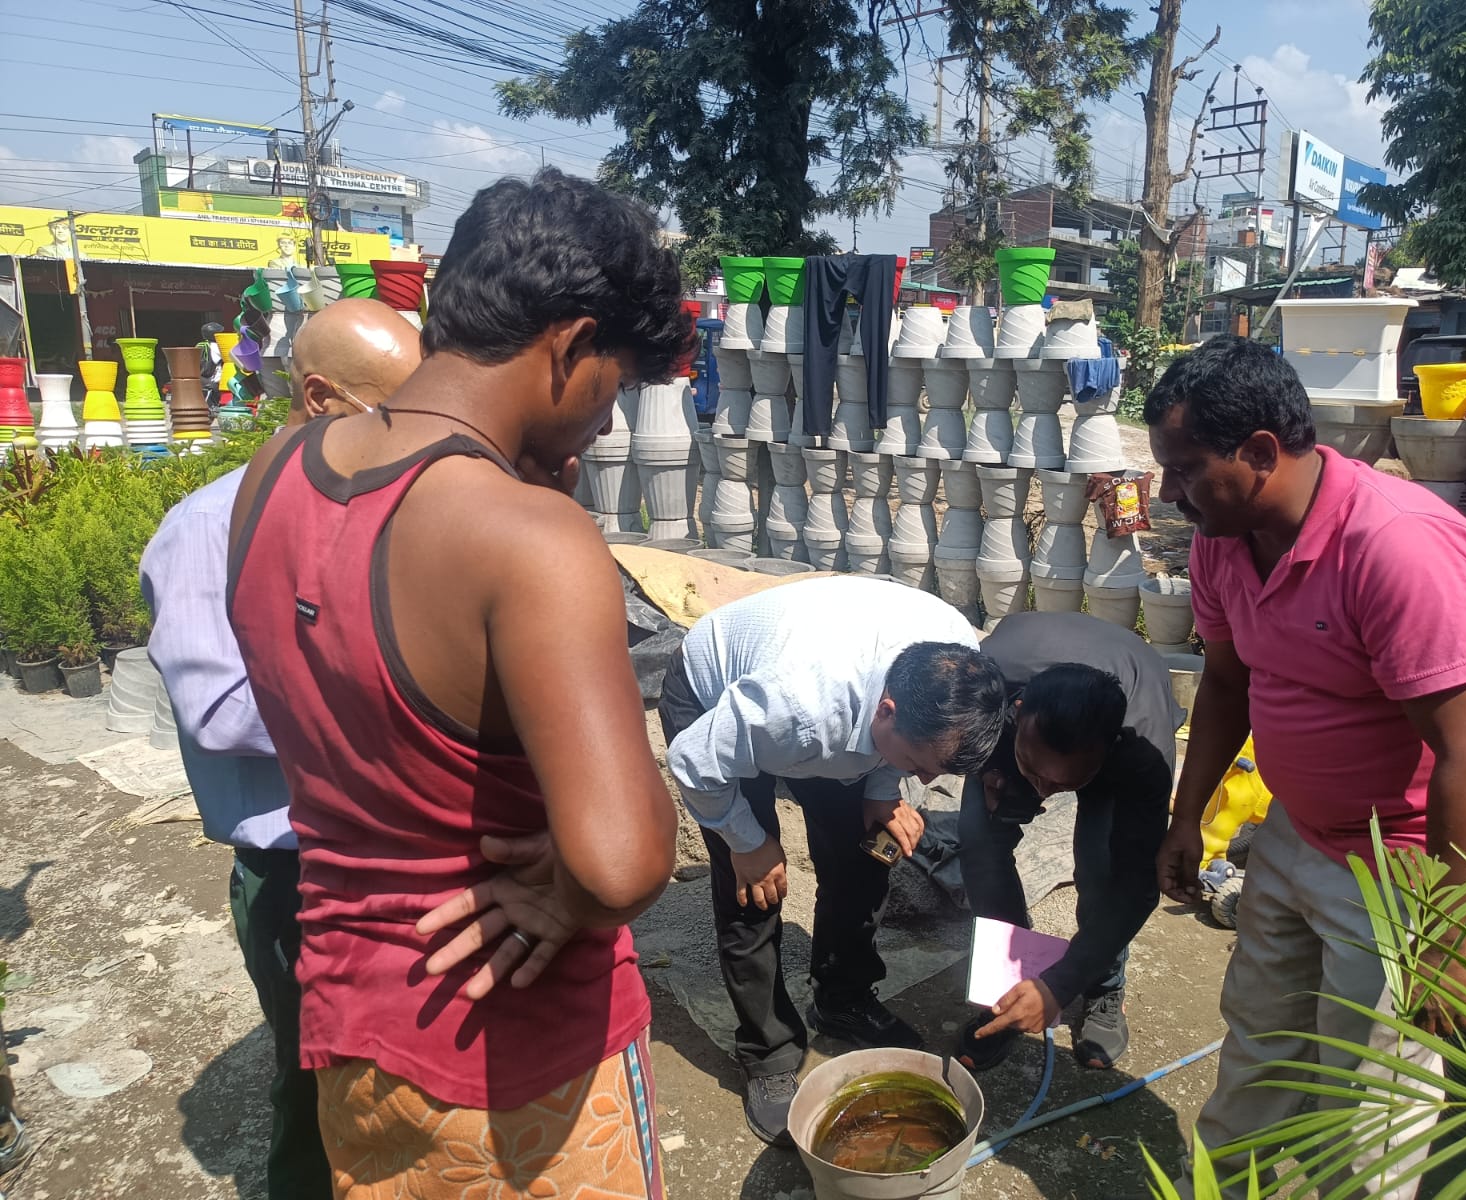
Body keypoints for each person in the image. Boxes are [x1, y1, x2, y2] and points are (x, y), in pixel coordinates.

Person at [226, 170, 688, 1198]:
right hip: (522, 1054)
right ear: (568, 347)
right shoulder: (527, 539)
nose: (608, 426)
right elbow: (623, 862)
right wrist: (572, 888)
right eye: (614, 386)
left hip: (352, 1023)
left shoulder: (274, 473)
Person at [1144, 336, 1466, 1200]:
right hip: (1300, 830)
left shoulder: (1396, 549)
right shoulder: (1223, 536)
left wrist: (1445, 943)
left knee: (1372, 1104)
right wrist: (1188, 816)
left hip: (1414, 861)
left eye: (1185, 469)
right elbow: (1227, 680)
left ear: (1260, 453)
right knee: (1257, 1048)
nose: (1170, 493)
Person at [141, 298, 422, 1200]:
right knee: (315, 1084)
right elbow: (220, 711)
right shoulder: (208, 528)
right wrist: (402, 707)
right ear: (319, 397)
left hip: (392, 850)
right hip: (296, 868)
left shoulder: (380, 508)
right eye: (393, 415)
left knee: (396, 1079)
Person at [658, 576, 1007, 1146]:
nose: (926, 783)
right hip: (714, 695)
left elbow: (906, 753)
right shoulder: (795, 708)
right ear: (887, 713)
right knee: (756, 889)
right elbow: (695, 762)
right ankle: (768, 1052)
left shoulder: (958, 666)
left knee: (866, 855)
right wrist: (746, 841)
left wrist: (884, 785)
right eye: (918, 765)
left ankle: (842, 998)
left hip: (844, 706)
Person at [955, 612, 1181, 1073]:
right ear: (1016, 718)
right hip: (1017, 694)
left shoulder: (1143, 753)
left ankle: (1104, 987)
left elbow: (1136, 887)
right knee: (980, 843)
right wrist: (993, 771)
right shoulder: (986, 690)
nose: (1042, 795)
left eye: (1061, 786)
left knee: (1103, 868)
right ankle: (1009, 986)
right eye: (1036, 775)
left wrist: (1064, 981)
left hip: (1133, 688)